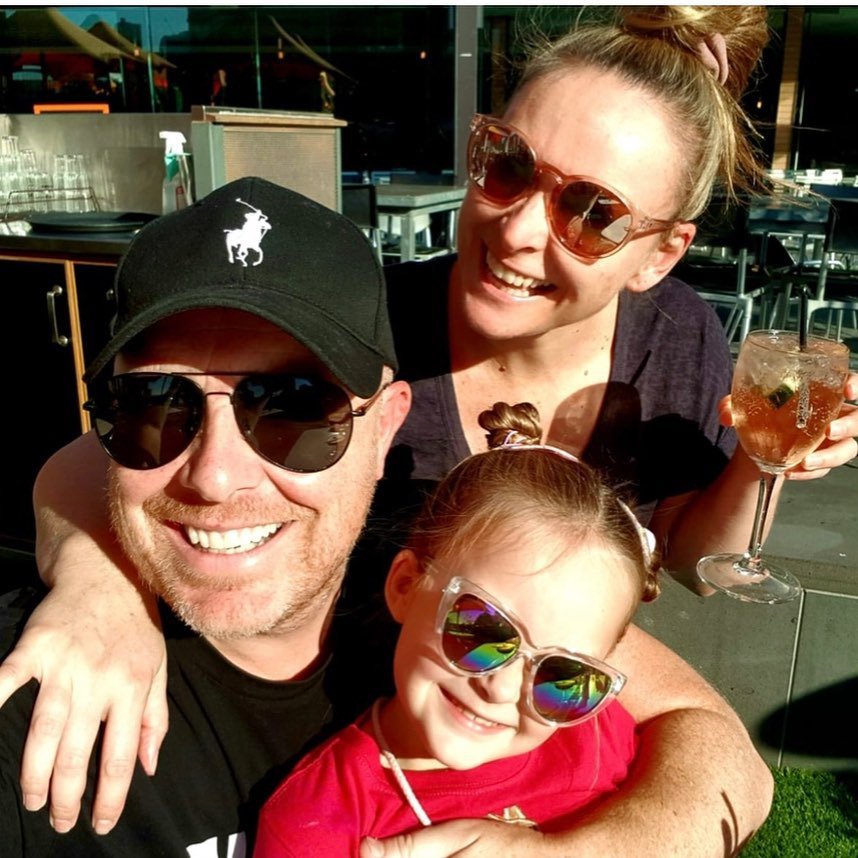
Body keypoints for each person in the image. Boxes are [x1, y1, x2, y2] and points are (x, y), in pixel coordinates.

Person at [5, 4, 815, 852]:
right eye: (507, 165)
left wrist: (763, 467)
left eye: (593, 212)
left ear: (662, 253)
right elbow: (126, 454)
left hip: (545, 698)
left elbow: (688, 566)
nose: (518, 228)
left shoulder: (675, 338)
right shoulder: (372, 327)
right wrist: (100, 589)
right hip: (378, 720)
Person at [254, 401, 662, 856]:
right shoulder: (316, 820)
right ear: (405, 586)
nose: (502, 690)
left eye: (564, 676)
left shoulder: (599, 736)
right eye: (484, 631)